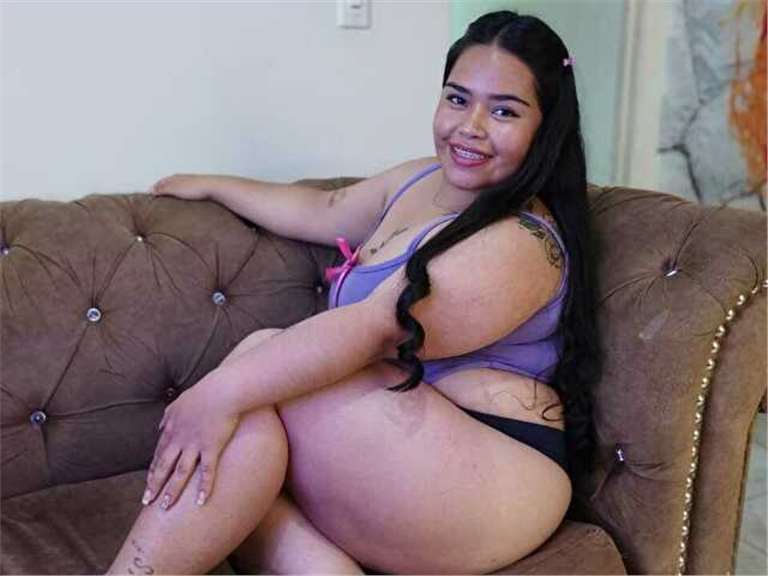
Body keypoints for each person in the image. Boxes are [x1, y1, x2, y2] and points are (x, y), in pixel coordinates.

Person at [107, 10, 601, 575]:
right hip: (398, 441)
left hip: (495, 472)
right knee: (245, 463)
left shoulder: (520, 241)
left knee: (256, 376)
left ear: (546, 128)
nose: (470, 126)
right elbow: (326, 208)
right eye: (457, 99)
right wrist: (212, 185)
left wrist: (215, 394)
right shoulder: (420, 179)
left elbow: (375, 329)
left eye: (504, 111)